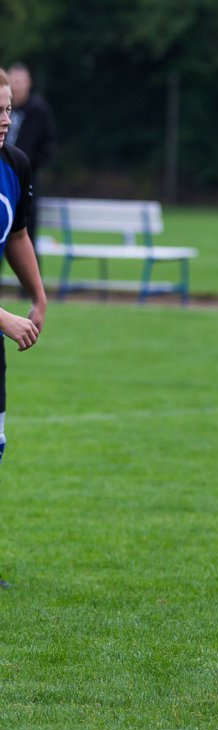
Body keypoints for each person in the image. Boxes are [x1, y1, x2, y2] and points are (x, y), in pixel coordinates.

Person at [0, 68, 49, 469]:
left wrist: (38, 295)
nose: (5, 120)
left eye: (8, 109)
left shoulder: (14, 164)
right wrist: (4, 319)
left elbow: (17, 235)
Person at [5, 63, 55, 247]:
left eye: (20, 81)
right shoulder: (3, 105)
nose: (16, 86)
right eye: (13, 81)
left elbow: (48, 145)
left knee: (25, 236)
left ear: (29, 83)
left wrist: (26, 164)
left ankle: (31, 275)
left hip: (26, 178)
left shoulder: (38, 110)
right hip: (2, 176)